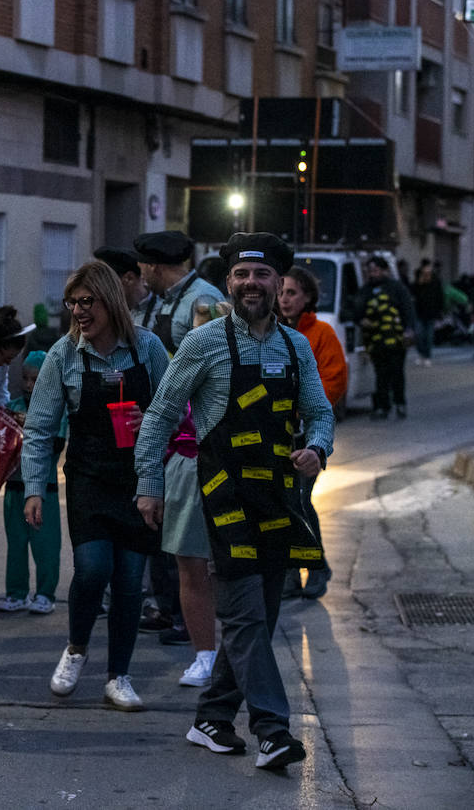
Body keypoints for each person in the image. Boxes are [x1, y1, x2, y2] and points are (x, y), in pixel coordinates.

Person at [135, 232, 334, 770]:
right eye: (242, 275)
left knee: (261, 619)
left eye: (262, 275)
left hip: (277, 502)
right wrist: (148, 485)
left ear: (279, 284)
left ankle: (211, 718)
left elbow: (318, 411)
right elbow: (158, 416)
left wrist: (316, 447)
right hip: (222, 501)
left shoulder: (295, 346)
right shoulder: (204, 344)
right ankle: (272, 731)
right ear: (229, 282)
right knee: (245, 617)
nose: (251, 283)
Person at [23, 261, 171, 711]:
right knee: (91, 569)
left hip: (140, 478)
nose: (79, 311)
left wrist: (154, 421)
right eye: (73, 303)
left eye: (87, 302)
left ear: (111, 300)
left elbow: (177, 411)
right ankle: (76, 648)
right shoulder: (64, 355)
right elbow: (40, 426)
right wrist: (34, 486)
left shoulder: (148, 349)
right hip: (88, 477)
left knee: (129, 581)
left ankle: (118, 676)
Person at [132, 230, 225, 682]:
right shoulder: (164, 300)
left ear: (152, 266)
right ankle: (186, 629)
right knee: (177, 547)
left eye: (143, 267)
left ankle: (213, 646)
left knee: (200, 555)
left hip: (194, 434)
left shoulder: (202, 300)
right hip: (166, 427)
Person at [277, 266, 346, 601]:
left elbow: (334, 380)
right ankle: (289, 574)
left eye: (292, 293)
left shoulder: (320, 334)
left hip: (307, 438)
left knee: (301, 501)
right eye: (281, 292)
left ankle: (317, 568)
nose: (285, 299)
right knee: (281, 503)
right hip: (277, 437)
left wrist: (306, 409)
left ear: (307, 297)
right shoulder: (271, 331)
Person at [1, 349, 61, 615]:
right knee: (15, 543)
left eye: (36, 379)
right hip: (14, 485)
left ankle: (46, 593)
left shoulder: (56, 409)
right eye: (25, 378)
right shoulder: (13, 407)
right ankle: (16, 593)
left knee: (46, 544)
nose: (28, 385)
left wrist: (29, 430)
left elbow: (57, 443)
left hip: (44, 487)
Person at [356, 256, 415, 420]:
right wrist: (361, 320)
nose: (373, 274)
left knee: (396, 373)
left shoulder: (397, 288)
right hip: (375, 341)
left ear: (385, 271)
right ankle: (383, 406)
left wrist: (408, 330)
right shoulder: (366, 290)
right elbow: (356, 309)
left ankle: (399, 402)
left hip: (396, 340)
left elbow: (408, 310)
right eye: (370, 271)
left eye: (376, 270)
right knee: (381, 374)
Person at [411, 262, 444, 366]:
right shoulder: (418, 283)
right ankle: (421, 354)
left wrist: (440, 313)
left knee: (429, 337)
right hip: (419, 313)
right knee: (419, 335)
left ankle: (427, 356)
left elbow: (440, 298)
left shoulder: (436, 282)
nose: (426, 274)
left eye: (428, 272)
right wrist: (419, 284)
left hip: (431, 314)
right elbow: (413, 295)